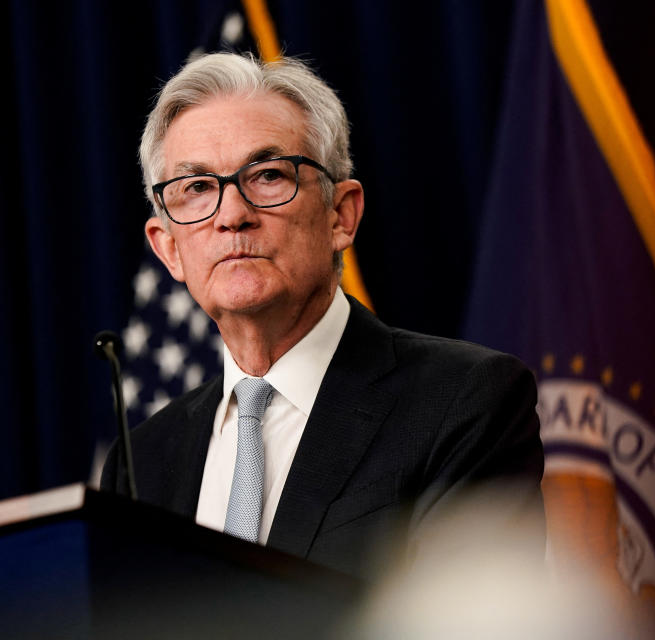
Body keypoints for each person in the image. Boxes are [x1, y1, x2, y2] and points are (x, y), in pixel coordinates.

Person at [101, 52, 544, 580]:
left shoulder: (465, 403)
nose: (232, 215)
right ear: (168, 248)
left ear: (341, 215)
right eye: (196, 188)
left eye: (266, 175)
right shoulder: (142, 462)